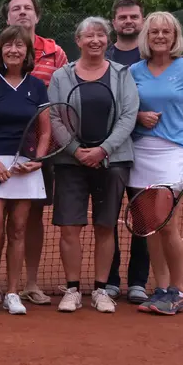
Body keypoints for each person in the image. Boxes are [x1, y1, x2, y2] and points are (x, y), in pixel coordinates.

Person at [0, 0, 69, 306]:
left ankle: (13, 292)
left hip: (27, 166)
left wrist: (37, 159)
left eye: (19, 46)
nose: (13, 50)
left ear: (28, 53)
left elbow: (45, 128)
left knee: (20, 230)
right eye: (8, 45)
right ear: (0, 49)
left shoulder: (38, 84)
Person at [46, 16, 138, 315]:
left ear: (108, 40)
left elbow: (128, 115)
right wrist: (76, 150)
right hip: (70, 162)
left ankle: (101, 289)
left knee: (105, 225)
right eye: (89, 36)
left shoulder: (122, 74)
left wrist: (103, 150)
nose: (95, 40)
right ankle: (72, 289)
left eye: (101, 35)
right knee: (70, 228)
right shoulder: (62, 76)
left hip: (112, 161)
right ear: (78, 41)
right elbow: (56, 116)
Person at [129, 12, 183, 315]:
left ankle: (177, 290)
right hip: (141, 151)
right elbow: (126, 111)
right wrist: (139, 116)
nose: (160, 36)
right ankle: (161, 288)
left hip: (174, 151)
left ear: (175, 36)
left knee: (166, 222)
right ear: (146, 38)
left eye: (166, 31)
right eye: (154, 32)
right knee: (150, 226)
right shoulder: (134, 71)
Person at [104, 0, 151, 304]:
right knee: (107, 216)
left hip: (147, 148)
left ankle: (138, 281)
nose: (129, 21)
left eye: (134, 16)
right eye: (123, 17)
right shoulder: (101, 54)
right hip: (110, 149)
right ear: (114, 23)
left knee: (143, 217)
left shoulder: (154, 55)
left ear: (142, 20)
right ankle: (108, 280)